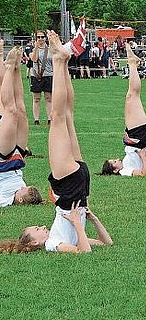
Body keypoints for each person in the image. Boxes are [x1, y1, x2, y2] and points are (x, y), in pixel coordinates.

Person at [0, 31, 113, 253]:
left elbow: (102, 244)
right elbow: (86, 251)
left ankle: (61, 61)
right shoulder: (52, 244)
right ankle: (60, 60)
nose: (42, 226)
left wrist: (82, 221)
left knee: (66, 115)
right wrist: (83, 222)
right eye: (38, 229)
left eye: (37, 227)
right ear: (35, 242)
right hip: (71, 190)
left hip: (78, 187)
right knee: (61, 117)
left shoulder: (55, 239)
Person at [100, 43, 146, 176]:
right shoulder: (125, 171)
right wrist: (142, 155)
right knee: (132, 96)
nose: (116, 159)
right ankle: (132, 63)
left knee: (131, 96)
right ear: (115, 169)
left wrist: (144, 155)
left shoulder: (125, 164)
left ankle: (132, 63)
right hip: (138, 138)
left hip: (136, 138)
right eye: (114, 162)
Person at [0, 45, 42, 207]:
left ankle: (10, 67)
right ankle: (17, 67)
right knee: (21, 110)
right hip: (18, 160)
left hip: (3, 162)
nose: (27, 188)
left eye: (27, 192)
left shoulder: (5, 200)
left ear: (20, 199)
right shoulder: (21, 191)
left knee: (10, 111)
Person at [28, 30, 53, 125]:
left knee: (48, 98)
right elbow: (34, 59)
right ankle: (36, 119)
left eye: (42, 37)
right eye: (38, 37)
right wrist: (36, 47)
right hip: (36, 76)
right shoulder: (32, 49)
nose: (40, 39)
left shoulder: (50, 49)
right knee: (36, 98)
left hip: (48, 75)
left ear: (45, 38)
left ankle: (50, 119)